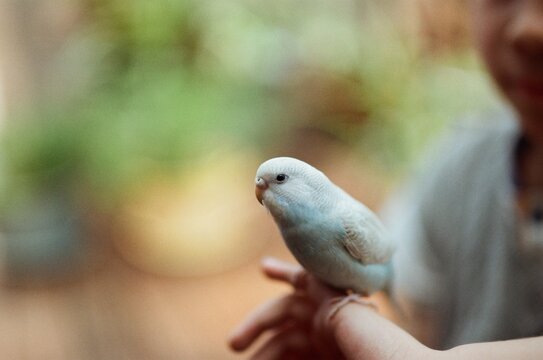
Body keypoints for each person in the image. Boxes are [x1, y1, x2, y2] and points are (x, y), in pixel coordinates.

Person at [228, 0, 543, 358]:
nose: (530, 30)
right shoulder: (454, 168)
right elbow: (416, 313)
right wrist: (360, 342)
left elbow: (383, 263)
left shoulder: (345, 221)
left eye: (279, 179)